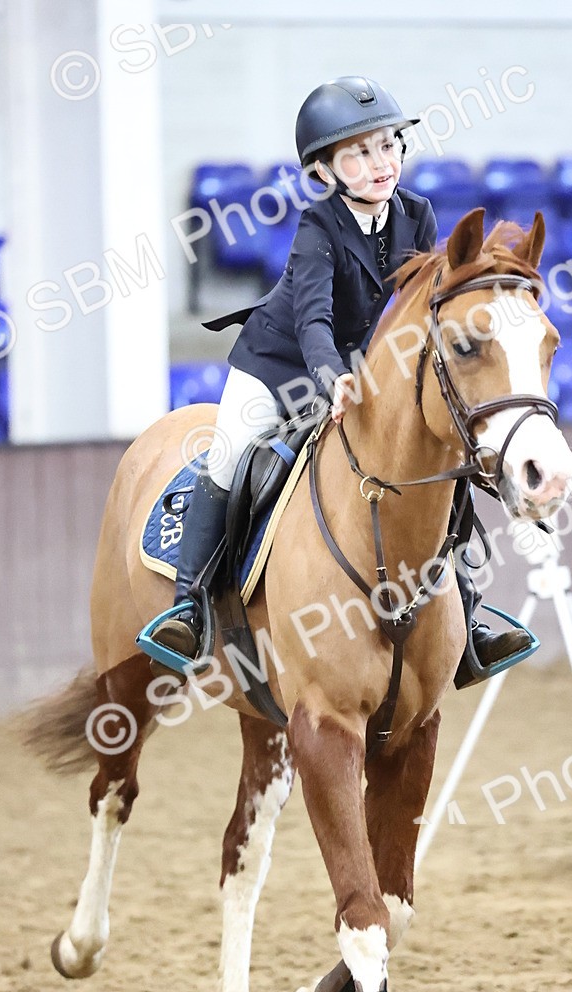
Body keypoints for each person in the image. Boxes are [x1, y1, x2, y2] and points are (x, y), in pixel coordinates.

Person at [149, 75, 531, 684]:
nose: (379, 164)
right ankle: (187, 608)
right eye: (358, 153)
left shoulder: (419, 216)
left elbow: (419, 311)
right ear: (325, 171)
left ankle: (472, 614)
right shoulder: (317, 227)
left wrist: (394, 375)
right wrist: (332, 378)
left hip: (357, 364)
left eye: (387, 146)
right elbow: (313, 318)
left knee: (442, 455)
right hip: (279, 364)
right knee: (228, 456)